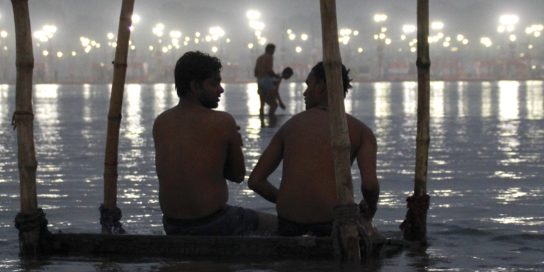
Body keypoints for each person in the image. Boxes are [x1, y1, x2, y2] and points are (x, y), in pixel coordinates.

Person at [249, 61, 379, 237]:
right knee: (373, 236)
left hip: (289, 223)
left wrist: (288, 200)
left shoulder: (290, 127)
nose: (305, 92)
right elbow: (370, 185)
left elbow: (256, 180)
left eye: (308, 85)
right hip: (332, 224)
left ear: (322, 87)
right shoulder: (361, 131)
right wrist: (368, 213)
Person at [152, 51, 276, 236]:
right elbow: (237, 175)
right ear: (195, 86)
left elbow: (190, 168)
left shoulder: (161, 122)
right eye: (214, 83)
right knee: (282, 226)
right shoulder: (223, 121)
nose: (221, 89)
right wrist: (234, 144)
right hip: (215, 222)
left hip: (172, 225)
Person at [253, 43, 278, 117]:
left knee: (262, 102)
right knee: (274, 104)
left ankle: (262, 119)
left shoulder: (259, 58)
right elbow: (269, 70)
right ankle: (272, 121)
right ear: (270, 49)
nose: (274, 51)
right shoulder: (269, 57)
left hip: (259, 80)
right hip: (266, 80)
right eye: (273, 50)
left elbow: (255, 72)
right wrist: (275, 76)